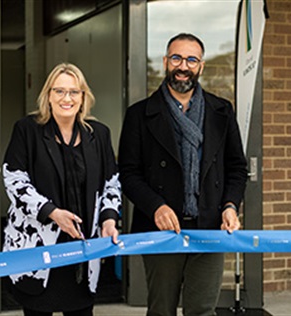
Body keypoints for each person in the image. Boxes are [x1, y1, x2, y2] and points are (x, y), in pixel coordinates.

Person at [118, 33, 248, 316]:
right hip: (161, 229)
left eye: (191, 59)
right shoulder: (139, 114)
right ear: (166, 62)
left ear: (201, 66)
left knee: (202, 310)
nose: (183, 66)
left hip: (209, 227)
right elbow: (128, 174)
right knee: (161, 310)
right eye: (176, 58)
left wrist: (229, 206)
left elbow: (237, 167)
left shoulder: (222, 111)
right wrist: (156, 206)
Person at [2, 63, 121, 316]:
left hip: (82, 251)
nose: (67, 98)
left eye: (74, 92)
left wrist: (109, 220)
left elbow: (111, 182)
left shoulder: (99, 134)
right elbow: (15, 180)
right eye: (59, 91)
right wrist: (53, 212)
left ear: (83, 97)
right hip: (37, 251)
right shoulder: (27, 130)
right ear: (48, 96)